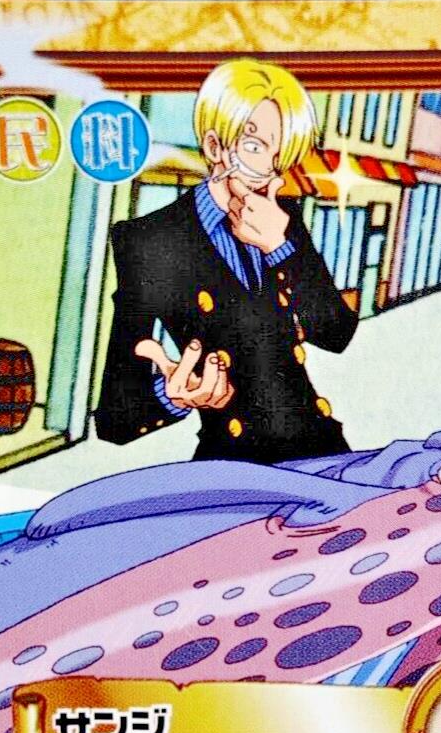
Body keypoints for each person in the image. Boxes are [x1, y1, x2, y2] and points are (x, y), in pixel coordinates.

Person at [96, 58, 358, 462]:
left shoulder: (281, 219)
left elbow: (336, 334)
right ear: (215, 147)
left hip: (320, 446)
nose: (268, 172)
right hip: (233, 459)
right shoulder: (151, 239)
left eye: (279, 155)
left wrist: (279, 247)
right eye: (254, 147)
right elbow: (115, 418)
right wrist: (173, 394)